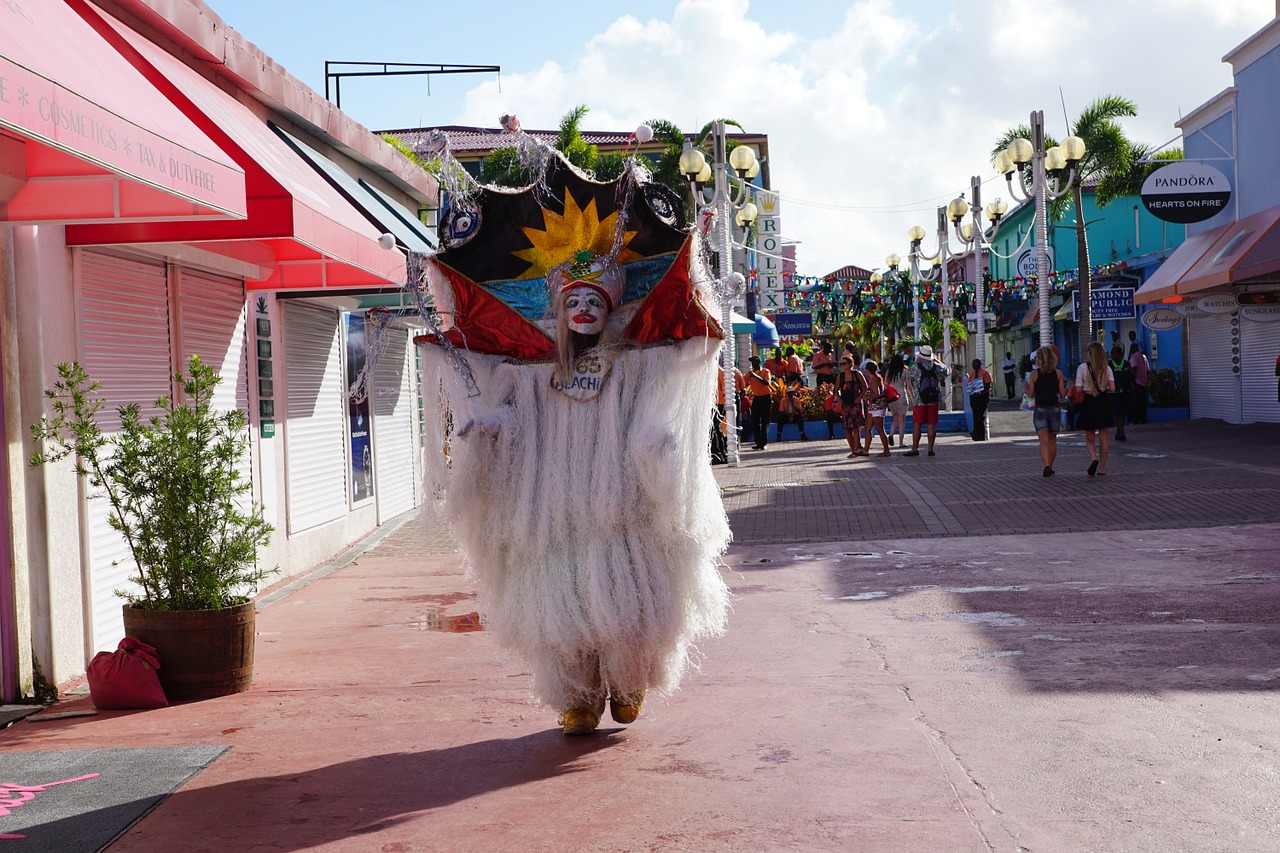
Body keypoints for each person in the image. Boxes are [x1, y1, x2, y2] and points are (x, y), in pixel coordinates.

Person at [1074, 341, 1116, 476]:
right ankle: (1102, 469)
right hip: (1103, 401)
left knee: (1090, 437)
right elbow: (1113, 388)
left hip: (1089, 401)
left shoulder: (1082, 368)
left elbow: (1078, 389)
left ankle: (1093, 458)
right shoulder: (1107, 368)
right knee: (1104, 438)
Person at [1028, 345, 1067, 476]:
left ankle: (1046, 465)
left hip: (1040, 409)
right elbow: (1062, 394)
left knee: (1043, 441)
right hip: (1054, 409)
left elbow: (1031, 394)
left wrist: (1025, 387)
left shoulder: (1034, 375)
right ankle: (1050, 465)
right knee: (1052, 440)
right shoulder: (1058, 374)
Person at [904, 345, 948, 457]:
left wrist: (916, 363)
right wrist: (937, 360)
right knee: (931, 424)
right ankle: (930, 449)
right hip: (933, 400)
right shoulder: (936, 366)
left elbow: (908, 376)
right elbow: (947, 371)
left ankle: (914, 449)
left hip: (920, 400)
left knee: (917, 424)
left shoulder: (916, 367)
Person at [836, 353, 867, 458]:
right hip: (846, 405)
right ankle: (852, 449)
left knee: (856, 428)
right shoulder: (841, 376)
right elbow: (836, 389)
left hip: (855, 404)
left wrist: (859, 398)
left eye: (844, 364)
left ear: (850, 364)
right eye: (841, 364)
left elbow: (865, 387)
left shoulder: (856, 374)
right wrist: (839, 399)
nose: (842, 366)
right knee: (847, 429)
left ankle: (856, 450)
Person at [862, 361, 891, 456]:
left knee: (880, 429)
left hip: (877, 407)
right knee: (868, 428)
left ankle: (886, 450)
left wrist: (868, 398)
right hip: (874, 407)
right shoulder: (876, 378)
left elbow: (877, 394)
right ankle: (866, 449)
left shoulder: (874, 380)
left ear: (867, 370)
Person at [746, 355, 773, 450]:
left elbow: (767, 383)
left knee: (765, 421)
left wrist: (756, 376)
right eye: (752, 362)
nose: (753, 364)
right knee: (754, 421)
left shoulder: (766, 371)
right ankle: (758, 442)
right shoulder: (751, 373)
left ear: (759, 362)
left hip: (766, 398)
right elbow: (743, 382)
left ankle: (764, 443)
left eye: (755, 362)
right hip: (757, 398)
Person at [775, 373, 809, 441]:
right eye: (789, 393)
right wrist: (788, 414)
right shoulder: (783, 400)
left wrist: (794, 405)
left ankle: (802, 434)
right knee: (780, 418)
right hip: (786, 416)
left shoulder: (796, 400)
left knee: (800, 418)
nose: (790, 394)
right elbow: (781, 412)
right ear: (787, 393)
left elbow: (800, 411)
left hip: (794, 416)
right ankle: (779, 435)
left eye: (792, 393)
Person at [966, 358, 993, 441]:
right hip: (974, 398)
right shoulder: (972, 375)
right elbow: (969, 387)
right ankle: (976, 434)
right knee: (976, 416)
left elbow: (988, 385)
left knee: (981, 416)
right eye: (973, 364)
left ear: (980, 364)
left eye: (976, 364)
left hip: (983, 397)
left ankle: (981, 435)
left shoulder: (985, 373)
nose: (975, 365)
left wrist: (980, 390)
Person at [1108, 345, 1131, 441]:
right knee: (1117, 412)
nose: (1112, 355)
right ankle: (1122, 432)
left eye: (1114, 353)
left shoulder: (1126, 364)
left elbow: (1131, 376)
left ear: (1120, 354)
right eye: (1111, 353)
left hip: (1125, 392)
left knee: (1123, 412)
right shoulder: (1108, 365)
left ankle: (1119, 432)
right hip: (1113, 393)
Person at [1128, 342, 1149, 424]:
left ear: (1133, 349)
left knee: (1136, 403)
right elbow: (1148, 370)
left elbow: (1134, 367)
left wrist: (1132, 378)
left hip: (1137, 382)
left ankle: (1136, 420)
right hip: (1144, 382)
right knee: (1143, 403)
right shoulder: (1144, 356)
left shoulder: (1134, 357)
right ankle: (1143, 419)